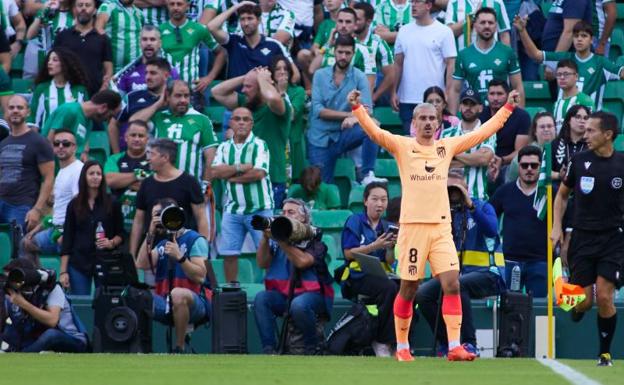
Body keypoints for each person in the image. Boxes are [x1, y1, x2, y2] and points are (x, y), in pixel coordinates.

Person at [348, 86, 520, 362]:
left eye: (432, 119)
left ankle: (454, 345)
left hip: (441, 228)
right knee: (409, 287)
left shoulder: (446, 147)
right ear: (413, 123)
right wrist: (358, 109)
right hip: (413, 228)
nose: (428, 123)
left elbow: (482, 133)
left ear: (439, 124)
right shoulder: (403, 146)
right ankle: (402, 346)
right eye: (423, 119)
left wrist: (507, 109)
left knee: (452, 284)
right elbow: (376, 134)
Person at [552, 111, 623, 367]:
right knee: (583, 302)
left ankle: (604, 353)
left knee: (605, 296)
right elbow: (561, 196)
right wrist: (556, 228)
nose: (586, 134)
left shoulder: (622, 164)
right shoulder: (579, 161)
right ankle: (572, 302)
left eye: (592, 131)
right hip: (582, 238)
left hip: (613, 239)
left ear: (608, 135)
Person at [416, 172, 505, 357]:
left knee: (459, 284)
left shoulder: (482, 206)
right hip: (456, 275)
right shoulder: (443, 214)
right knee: (423, 294)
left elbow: (491, 229)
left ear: (466, 190)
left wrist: (471, 206)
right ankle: (447, 342)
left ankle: (469, 343)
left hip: (489, 273)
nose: (453, 194)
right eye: (449, 190)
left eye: (458, 189)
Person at [254, 198, 334, 355]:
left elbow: (302, 262)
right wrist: (265, 238)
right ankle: (269, 349)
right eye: (283, 212)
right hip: (284, 295)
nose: (285, 215)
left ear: (303, 218)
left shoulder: (315, 241)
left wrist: (282, 241)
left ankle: (313, 347)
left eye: (291, 212)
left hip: (314, 296)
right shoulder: (277, 241)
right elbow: (262, 263)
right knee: (261, 299)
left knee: (298, 305)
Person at [135, 198, 211, 354]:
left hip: (196, 302)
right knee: (135, 294)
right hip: (165, 300)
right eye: (153, 216)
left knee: (177, 293)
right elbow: (142, 263)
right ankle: (141, 348)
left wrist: (181, 257)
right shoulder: (162, 244)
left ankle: (179, 348)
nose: (156, 218)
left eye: (158, 214)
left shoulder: (195, 240)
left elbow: (201, 276)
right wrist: (150, 233)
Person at [307, 34, 385, 185]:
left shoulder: (359, 76)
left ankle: (367, 174)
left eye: (348, 53)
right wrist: (351, 115)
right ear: (334, 52)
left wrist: (356, 118)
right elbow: (318, 111)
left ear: (353, 53)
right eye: (340, 52)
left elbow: (367, 109)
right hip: (320, 138)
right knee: (321, 185)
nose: (343, 56)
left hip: (344, 135)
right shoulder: (320, 75)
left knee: (372, 126)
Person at [212, 67, 291, 207]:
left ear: (261, 88)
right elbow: (217, 92)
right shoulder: (245, 104)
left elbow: (273, 97)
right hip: (242, 179)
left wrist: (262, 78)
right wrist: (248, 76)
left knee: (265, 228)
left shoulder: (277, 108)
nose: (243, 90)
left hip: (270, 180)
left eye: (248, 86)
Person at [211, 107, 274, 282]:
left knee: (268, 256)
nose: (241, 122)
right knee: (229, 255)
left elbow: (258, 174)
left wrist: (231, 178)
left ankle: (272, 289)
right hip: (232, 210)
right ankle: (232, 291)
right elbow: (215, 172)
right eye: (237, 119)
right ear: (230, 122)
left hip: (260, 209)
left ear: (251, 124)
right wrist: (241, 167)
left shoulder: (260, 144)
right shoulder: (224, 147)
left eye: (246, 119)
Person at [339, 182, 399, 357]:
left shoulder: (387, 226)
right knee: (389, 288)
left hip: (380, 275)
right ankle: (382, 341)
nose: (379, 204)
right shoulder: (355, 221)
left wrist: (389, 247)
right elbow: (349, 253)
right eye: (375, 199)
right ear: (365, 201)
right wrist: (375, 245)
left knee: (405, 288)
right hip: (356, 275)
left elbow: (390, 260)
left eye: (383, 200)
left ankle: (400, 342)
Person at [515, 17, 624, 109]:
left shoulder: (601, 63)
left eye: (584, 36)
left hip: (590, 121)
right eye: (576, 36)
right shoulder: (563, 58)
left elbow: (621, 72)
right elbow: (536, 54)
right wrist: (522, 31)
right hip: (564, 120)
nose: (579, 39)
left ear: (591, 40)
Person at [130, 138, 209, 263]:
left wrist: (202, 251)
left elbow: (201, 218)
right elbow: (138, 221)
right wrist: (132, 254)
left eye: (152, 154)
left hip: (183, 252)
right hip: (153, 253)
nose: (148, 158)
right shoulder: (146, 184)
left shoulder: (189, 182)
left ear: (165, 157)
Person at [131, 79, 219, 182]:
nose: (183, 100)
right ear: (167, 96)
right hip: (159, 184)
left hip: (190, 187)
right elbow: (133, 123)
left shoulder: (202, 120)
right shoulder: (158, 117)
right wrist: (158, 104)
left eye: (186, 96)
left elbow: (211, 157)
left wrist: (205, 186)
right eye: (178, 96)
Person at [489, 145, 547, 297]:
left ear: (540, 167)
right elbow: (488, 217)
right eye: (524, 165)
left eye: (534, 165)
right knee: (510, 310)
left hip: (541, 262)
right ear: (518, 167)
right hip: (509, 262)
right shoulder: (505, 191)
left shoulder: (549, 193)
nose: (529, 169)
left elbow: (564, 222)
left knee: (539, 310)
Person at [60, 160, 124, 295]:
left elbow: (122, 233)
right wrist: (63, 271)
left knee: (104, 303)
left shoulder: (112, 202)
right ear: (84, 176)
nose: (95, 177)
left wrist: (111, 242)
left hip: (105, 260)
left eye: (99, 174)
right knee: (79, 303)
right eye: (91, 173)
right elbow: (67, 238)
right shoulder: (74, 204)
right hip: (79, 262)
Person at [391, 0, 456, 134]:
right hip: (407, 98)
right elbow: (398, 64)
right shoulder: (403, 31)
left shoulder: (444, 31)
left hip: (434, 99)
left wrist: (448, 93)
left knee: (433, 145)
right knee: (411, 147)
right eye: (412, 2)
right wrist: (393, 92)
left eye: (418, 2)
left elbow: (451, 64)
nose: (413, 5)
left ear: (428, 5)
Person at [1, 258, 88, 353]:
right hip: (36, 338)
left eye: (12, 278)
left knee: (51, 335)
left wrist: (23, 303)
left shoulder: (52, 288)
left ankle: (21, 356)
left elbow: (52, 321)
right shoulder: (15, 293)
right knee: (9, 330)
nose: (8, 282)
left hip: (69, 338)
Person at [447, 7, 524, 115]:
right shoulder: (464, 54)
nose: (487, 26)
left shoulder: (507, 52)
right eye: (483, 22)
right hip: (474, 114)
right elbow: (455, 90)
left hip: (501, 113)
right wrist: (453, 119)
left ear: (496, 25)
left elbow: (517, 86)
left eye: (490, 23)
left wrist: (520, 115)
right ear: (475, 25)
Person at [21, 131, 83, 264]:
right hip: (56, 228)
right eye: (57, 143)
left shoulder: (78, 170)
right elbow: (59, 211)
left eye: (66, 144)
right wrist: (40, 227)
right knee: (26, 242)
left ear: (75, 148)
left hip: (68, 232)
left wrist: (64, 233)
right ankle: (41, 280)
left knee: (26, 245)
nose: (61, 146)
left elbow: (80, 207)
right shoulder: (62, 170)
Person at [0, 95, 55, 232]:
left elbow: (48, 178)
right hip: (2, 201)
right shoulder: (3, 143)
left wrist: (37, 209)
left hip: (22, 206)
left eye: (20, 107)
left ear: (28, 112)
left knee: (18, 249)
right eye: (11, 107)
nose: (15, 111)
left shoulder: (39, 142)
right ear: (6, 112)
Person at [160, 0, 225, 110]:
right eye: (172, 4)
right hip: (166, 93)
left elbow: (221, 52)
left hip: (191, 93)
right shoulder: (159, 30)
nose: (176, 7)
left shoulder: (199, 29)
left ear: (187, 6)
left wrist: (209, 78)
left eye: (179, 4)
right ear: (167, 6)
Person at [207, 1, 298, 81]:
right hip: (236, 97)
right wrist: (237, 6)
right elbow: (211, 27)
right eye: (242, 19)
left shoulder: (274, 45)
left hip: (263, 97)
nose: (246, 23)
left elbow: (295, 75)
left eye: (250, 18)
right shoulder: (234, 41)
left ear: (259, 20)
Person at [442, 89, 495, 200]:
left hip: (477, 198)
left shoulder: (488, 133)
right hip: (449, 198)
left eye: (473, 104)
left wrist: (453, 154)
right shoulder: (446, 133)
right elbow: (442, 163)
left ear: (480, 108)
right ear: (460, 106)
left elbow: (483, 159)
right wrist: (472, 159)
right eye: (465, 103)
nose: (468, 107)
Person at [308, 8, 376, 93]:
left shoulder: (365, 51)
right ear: (336, 24)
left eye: (348, 22)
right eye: (340, 21)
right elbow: (312, 69)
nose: (343, 25)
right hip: (326, 99)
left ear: (355, 25)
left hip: (351, 101)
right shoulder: (329, 47)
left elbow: (369, 85)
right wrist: (328, 45)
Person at [53, 0, 113, 95]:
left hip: (95, 95)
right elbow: (54, 64)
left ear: (94, 10)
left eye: (88, 5)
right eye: (80, 5)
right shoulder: (62, 36)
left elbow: (108, 70)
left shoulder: (103, 38)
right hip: (67, 93)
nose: (83, 8)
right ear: (74, 9)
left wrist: (104, 88)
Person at [114, 57, 172, 153]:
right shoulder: (133, 97)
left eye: (153, 73)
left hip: (167, 156)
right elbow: (127, 123)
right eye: (146, 73)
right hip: (138, 158)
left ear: (166, 76)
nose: (148, 77)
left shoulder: (174, 98)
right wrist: (117, 155)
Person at [42, 90, 122, 159]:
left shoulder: (89, 121)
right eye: (110, 115)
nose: (108, 120)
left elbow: (81, 148)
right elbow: (49, 142)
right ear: (103, 107)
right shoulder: (70, 111)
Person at [480, 79, 531, 189]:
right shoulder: (481, 115)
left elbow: (520, 152)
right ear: (487, 96)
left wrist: (501, 160)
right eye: (492, 94)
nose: (495, 98)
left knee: (506, 173)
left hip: (508, 164)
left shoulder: (521, 116)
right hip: (483, 162)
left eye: (500, 94)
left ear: (508, 96)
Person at [104, 120, 151, 232]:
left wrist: (123, 180)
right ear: (126, 138)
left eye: (141, 136)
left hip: (144, 223)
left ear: (147, 140)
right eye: (133, 135)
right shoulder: (114, 159)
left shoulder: (153, 160)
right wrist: (138, 174)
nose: (136, 139)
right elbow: (110, 180)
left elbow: (150, 185)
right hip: (116, 221)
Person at [28, 48, 89, 131]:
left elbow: (84, 120)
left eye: (55, 60)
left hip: (72, 140)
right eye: (49, 60)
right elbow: (33, 121)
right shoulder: (42, 89)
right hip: (47, 140)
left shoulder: (80, 90)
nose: (49, 63)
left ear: (65, 63)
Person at [270, 55, 307, 182]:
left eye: (285, 69)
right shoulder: (266, 92)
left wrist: (282, 92)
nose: (282, 72)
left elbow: (290, 116)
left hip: (292, 145)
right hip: (273, 146)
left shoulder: (298, 91)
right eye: (277, 69)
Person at [114, 25, 180, 95]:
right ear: (140, 43)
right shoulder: (127, 72)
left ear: (160, 43)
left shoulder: (171, 72)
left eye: (152, 39)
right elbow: (121, 104)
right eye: (144, 39)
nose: (148, 43)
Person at [353, 2, 395, 105]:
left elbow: (391, 74)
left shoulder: (378, 43)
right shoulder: (342, 38)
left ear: (369, 21)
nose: (353, 22)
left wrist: (373, 98)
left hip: (367, 94)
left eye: (357, 19)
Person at [505, 112, 556, 183]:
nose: (546, 129)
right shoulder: (524, 154)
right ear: (535, 131)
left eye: (549, 126)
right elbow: (511, 181)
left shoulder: (565, 149)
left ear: (555, 129)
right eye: (542, 127)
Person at [95, 0, 143, 73]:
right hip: (113, 71)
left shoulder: (139, 13)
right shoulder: (108, 6)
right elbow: (98, 28)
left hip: (135, 69)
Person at [445, 0, 510, 50]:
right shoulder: (454, 2)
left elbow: (504, 33)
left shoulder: (497, 1)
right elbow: (449, 32)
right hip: (462, 59)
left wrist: (507, 58)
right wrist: (473, 17)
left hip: (491, 58)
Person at [552, 59, 595, 133]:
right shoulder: (556, 104)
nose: (562, 77)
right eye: (559, 74)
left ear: (576, 76)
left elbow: (589, 129)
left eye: (566, 74)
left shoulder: (585, 101)